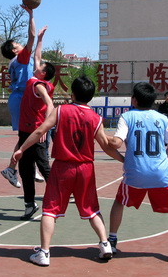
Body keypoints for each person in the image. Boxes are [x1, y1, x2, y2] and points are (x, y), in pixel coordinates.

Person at [11, 75, 124, 266]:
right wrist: (124, 160)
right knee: (92, 209)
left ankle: (44, 253)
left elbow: (40, 131)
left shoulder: (61, 110)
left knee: (50, 210)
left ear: (73, 94)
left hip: (63, 167)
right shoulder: (96, 118)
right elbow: (106, 146)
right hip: (86, 168)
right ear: (90, 97)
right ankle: (105, 244)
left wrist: (22, 148)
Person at [106, 82, 168, 266]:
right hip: (161, 173)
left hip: (135, 173)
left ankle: (111, 241)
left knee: (119, 202)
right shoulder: (162, 118)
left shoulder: (127, 117)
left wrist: (100, 136)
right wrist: (162, 160)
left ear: (134, 100)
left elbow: (116, 143)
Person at [5, 26, 54, 219]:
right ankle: (29, 204)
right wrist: (40, 39)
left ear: (43, 74)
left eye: (41, 67)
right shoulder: (35, 78)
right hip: (26, 130)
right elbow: (37, 55)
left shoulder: (39, 85)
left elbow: (50, 104)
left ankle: (59, 197)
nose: (37, 65)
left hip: (36, 131)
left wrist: (45, 127)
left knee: (44, 167)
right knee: (26, 170)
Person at [0, 5, 36, 132]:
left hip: (18, 97)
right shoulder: (21, 58)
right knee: (31, 135)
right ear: (14, 51)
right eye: (17, 44)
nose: (20, 44)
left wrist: (41, 41)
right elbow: (32, 36)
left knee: (25, 136)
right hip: (23, 98)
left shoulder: (15, 62)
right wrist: (31, 15)